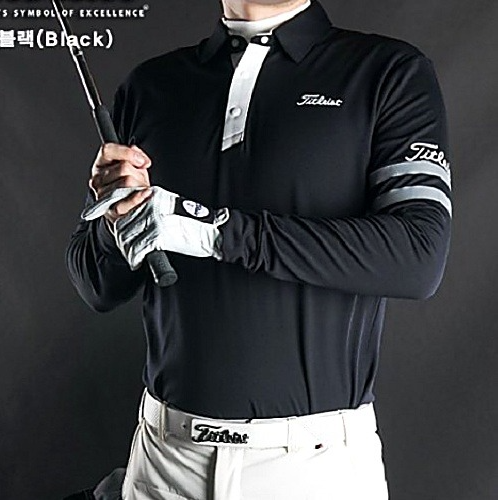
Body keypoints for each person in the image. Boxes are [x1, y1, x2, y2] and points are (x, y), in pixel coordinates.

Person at [66, 0, 452, 498]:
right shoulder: (150, 86)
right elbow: (96, 284)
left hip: (313, 470)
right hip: (164, 462)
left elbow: (419, 255)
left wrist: (214, 231)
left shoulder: (387, 72)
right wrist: (118, 219)